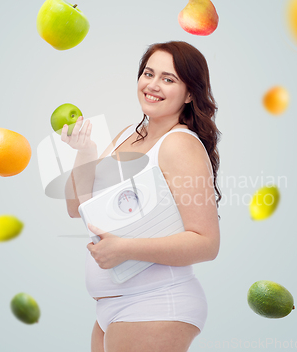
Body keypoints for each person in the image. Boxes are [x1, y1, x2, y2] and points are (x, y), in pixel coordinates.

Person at [62, 41, 222, 352]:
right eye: (148, 73)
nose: (153, 85)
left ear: (190, 94)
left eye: (168, 79)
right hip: (111, 309)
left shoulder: (179, 145)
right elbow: (77, 208)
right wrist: (85, 153)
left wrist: (125, 249)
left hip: (157, 303)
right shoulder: (127, 135)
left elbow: (207, 243)